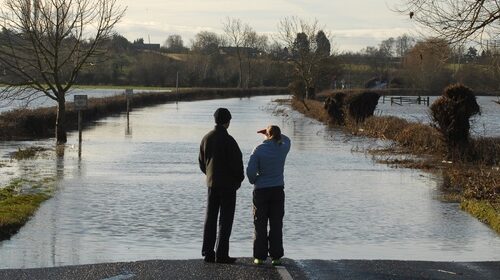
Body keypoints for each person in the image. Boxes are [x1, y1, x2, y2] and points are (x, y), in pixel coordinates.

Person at [198, 108, 244, 264]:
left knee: (210, 217)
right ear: (228, 121)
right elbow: (237, 164)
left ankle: (208, 252)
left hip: (212, 183)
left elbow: (202, 162)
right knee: (225, 219)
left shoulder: (206, 138)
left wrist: (210, 176)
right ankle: (222, 254)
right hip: (228, 186)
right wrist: (238, 181)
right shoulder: (229, 141)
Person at [246, 125, 291, 266]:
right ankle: (276, 256)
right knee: (276, 223)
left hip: (261, 191)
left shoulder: (258, 149)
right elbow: (287, 139)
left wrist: (255, 180)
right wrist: (272, 134)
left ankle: (259, 257)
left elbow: (250, 172)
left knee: (260, 223)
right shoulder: (283, 148)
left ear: (267, 134)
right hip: (277, 189)